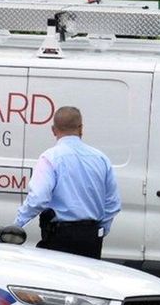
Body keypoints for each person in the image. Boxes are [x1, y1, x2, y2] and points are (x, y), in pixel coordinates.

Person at [14, 107, 120, 259]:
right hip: (91, 238)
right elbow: (113, 203)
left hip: (59, 236)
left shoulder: (50, 158)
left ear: (53, 130)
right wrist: (100, 230)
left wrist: (17, 225)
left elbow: (38, 198)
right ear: (81, 128)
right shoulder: (101, 159)